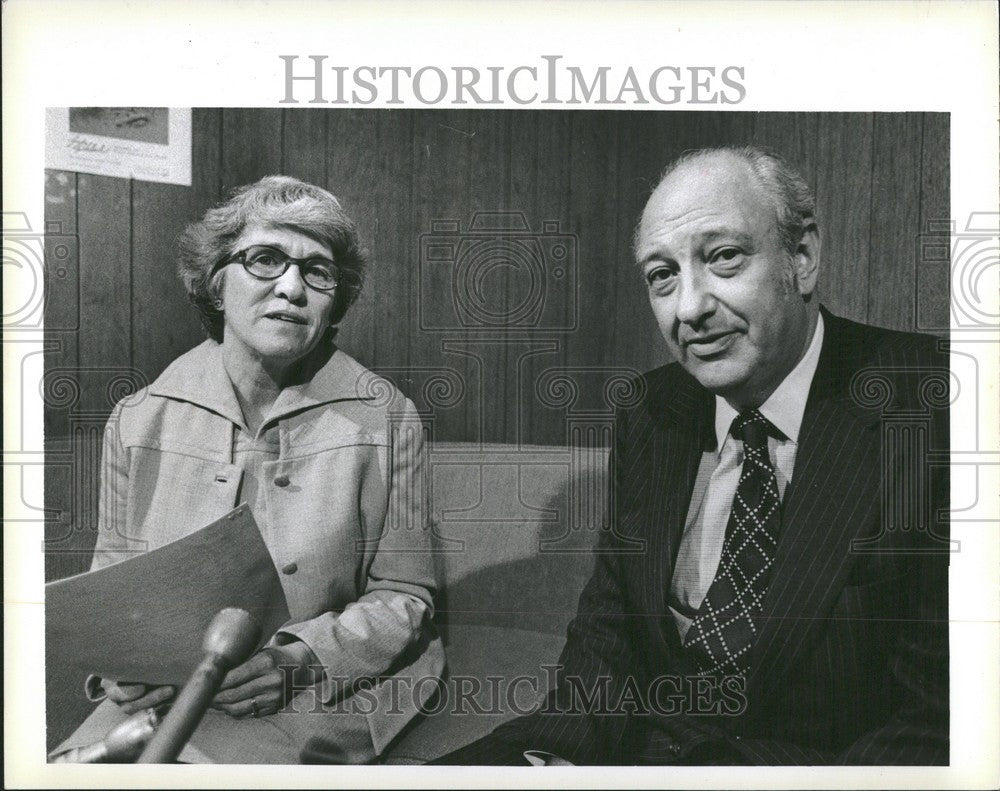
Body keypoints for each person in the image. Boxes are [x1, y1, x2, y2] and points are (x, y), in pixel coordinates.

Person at [435, 146, 949, 765]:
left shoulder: (935, 403)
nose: (689, 308)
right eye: (662, 276)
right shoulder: (651, 411)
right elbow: (611, 632)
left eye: (723, 257)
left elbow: (939, 720)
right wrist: (555, 756)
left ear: (803, 257)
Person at [53, 176, 444, 764]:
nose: (292, 287)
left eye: (319, 271)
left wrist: (302, 659)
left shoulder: (388, 416)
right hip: (166, 691)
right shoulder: (138, 417)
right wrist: (124, 667)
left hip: (320, 686)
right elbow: (114, 577)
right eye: (265, 260)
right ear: (216, 282)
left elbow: (405, 593)